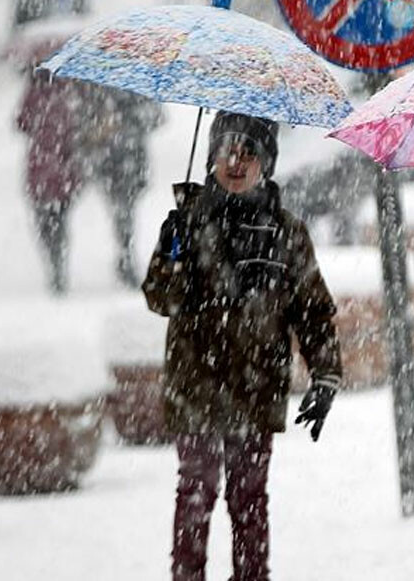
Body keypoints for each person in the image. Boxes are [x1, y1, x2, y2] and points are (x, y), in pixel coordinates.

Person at [142, 112, 343, 581]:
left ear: (266, 163)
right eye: (228, 149)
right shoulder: (187, 222)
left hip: (256, 386)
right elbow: (160, 299)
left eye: (249, 151)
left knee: (249, 496)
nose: (236, 160)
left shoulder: (285, 232)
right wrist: (173, 255)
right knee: (196, 488)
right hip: (196, 382)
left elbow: (312, 310)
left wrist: (325, 374)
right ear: (211, 155)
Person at [78, 84, 164, 286]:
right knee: (123, 210)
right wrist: (100, 125)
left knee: (125, 210)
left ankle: (125, 255)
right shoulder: (100, 88)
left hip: (132, 161)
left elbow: (157, 118)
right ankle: (125, 257)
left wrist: (127, 121)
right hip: (109, 163)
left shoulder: (138, 85)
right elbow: (85, 123)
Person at [15, 67, 84, 295]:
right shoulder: (70, 90)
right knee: (59, 220)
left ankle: (54, 263)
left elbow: (21, 123)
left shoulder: (34, 92)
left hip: (41, 169)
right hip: (65, 168)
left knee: (45, 222)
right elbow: (78, 126)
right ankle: (59, 262)